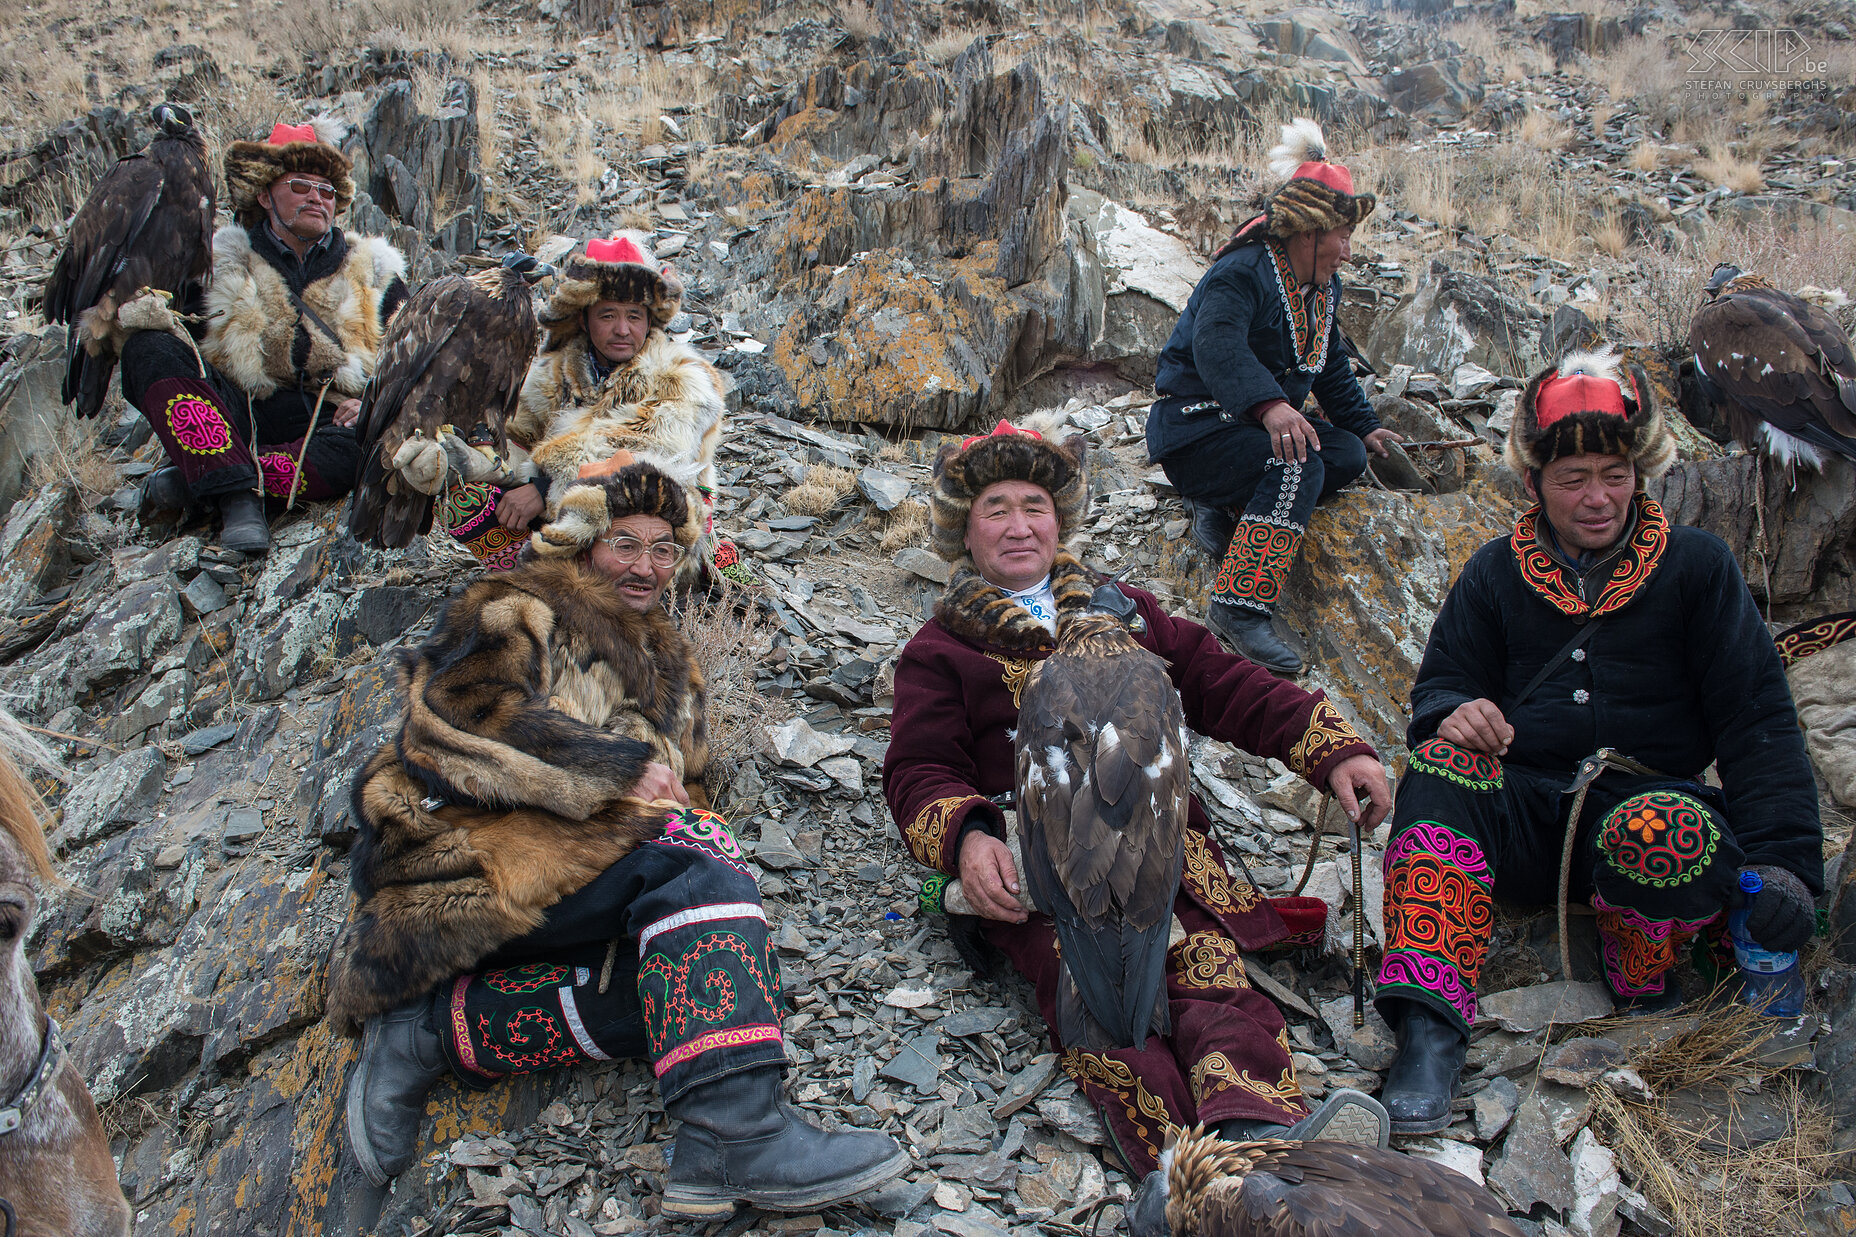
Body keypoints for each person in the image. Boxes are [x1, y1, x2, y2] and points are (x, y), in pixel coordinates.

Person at [328, 462, 907, 1215]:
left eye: (663, 549)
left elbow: (687, 791)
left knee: (716, 989)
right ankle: (736, 1139)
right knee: (699, 886)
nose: (645, 565)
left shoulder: (674, 665)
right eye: (625, 543)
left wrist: (698, 838)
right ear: (585, 541)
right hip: (464, 864)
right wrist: (615, 768)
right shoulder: (521, 602)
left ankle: (434, 1031)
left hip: (583, 877)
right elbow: (453, 715)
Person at [882, 415, 1398, 1188]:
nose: (1020, 525)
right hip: (1050, 880)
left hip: (1164, 862)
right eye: (997, 507)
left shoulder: (1128, 612)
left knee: (1209, 972)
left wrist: (1332, 748)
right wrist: (967, 838)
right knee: (1101, 1002)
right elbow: (919, 768)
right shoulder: (942, 650)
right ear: (965, 528)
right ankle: (1184, 1180)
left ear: (1061, 520)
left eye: (1036, 505)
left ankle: (1260, 1138)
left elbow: (1227, 683)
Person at [1374, 349, 1824, 1134]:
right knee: (1440, 764)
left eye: (1614, 474)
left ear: (1639, 471)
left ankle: (1643, 980)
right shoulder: (1494, 574)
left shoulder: (1696, 568)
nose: (1596, 498)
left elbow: (1756, 720)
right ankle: (1428, 1029)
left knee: (1669, 832)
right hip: (1525, 815)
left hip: (1642, 810)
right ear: (1532, 485)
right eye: (1573, 478)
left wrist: (1786, 863)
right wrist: (1457, 713)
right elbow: (1439, 689)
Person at [1145, 119, 1402, 674]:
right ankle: (1238, 607)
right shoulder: (1240, 273)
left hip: (1248, 433)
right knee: (1296, 461)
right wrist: (1270, 405)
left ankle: (1220, 503)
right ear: (1308, 233)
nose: (1348, 251)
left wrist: (1365, 425)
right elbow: (1217, 348)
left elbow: (1327, 363)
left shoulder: (1321, 286)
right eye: (1342, 237)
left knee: (1346, 456)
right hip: (1196, 431)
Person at [124, 120, 409, 555]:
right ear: (264, 195)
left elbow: (413, 357)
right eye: (300, 185)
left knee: (371, 449)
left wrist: (375, 399)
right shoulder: (216, 261)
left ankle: (212, 480)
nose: (317, 196)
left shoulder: (375, 269)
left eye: (327, 190)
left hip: (332, 419)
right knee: (148, 347)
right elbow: (180, 342)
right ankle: (238, 499)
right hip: (237, 411)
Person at [435, 233, 744, 585]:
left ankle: (602, 587)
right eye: (608, 315)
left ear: (650, 321)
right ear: (583, 319)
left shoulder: (685, 377)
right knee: (462, 496)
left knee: (634, 517)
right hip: (566, 511)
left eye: (634, 316)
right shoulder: (555, 371)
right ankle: (540, 576)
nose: (622, 329)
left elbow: (644, 459)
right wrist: (472, 460)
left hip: (655, 522)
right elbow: (516, 437)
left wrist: (540, 489)